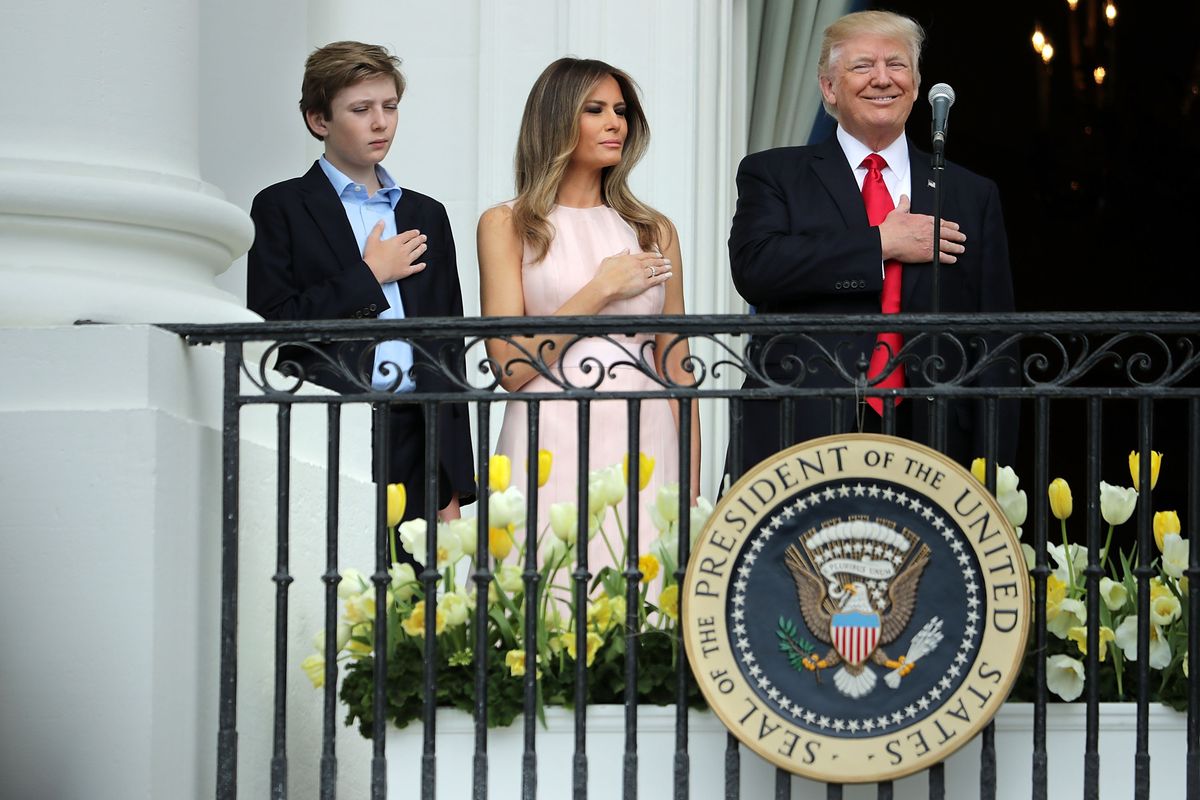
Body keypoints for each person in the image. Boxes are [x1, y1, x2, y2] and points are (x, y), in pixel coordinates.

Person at [726, 10, 1017, 483]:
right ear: (828, 89)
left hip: (936, 439)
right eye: (863, 66)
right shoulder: (774, 173)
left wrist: (999, 470)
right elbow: (756, 269)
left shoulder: (969, 193)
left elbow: (996, 342)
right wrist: (881, 243)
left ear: (917, 84)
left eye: (897, 65)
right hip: (804, 428)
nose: (882, 79)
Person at [246, 41, 475, 545]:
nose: (381, 123)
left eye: (390, 107)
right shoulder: (281, 206)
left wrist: (454, 481)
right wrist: (370, 275)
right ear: (317, 120)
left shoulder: (427, 215)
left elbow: (449, 347)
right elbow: (272, 321)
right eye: (361, 109)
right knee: (338, 590)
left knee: (425, 607)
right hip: (330, 426)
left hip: (420, 436)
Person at [477, 57, 700, 571]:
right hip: (547, 434)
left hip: (646, 435)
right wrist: (599, 290)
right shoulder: (507, 224)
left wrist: (690, 484)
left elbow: (678, 367)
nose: (614, 122)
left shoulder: (654, 229)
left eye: (620, 110)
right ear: (557, 119)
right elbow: (509, 366)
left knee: (646, 605)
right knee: (542, 599)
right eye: (595, 109)